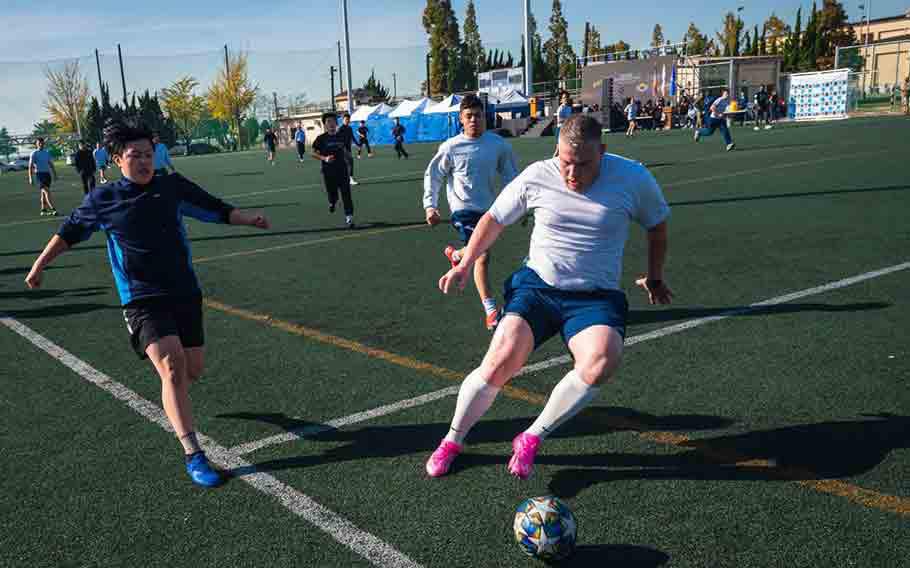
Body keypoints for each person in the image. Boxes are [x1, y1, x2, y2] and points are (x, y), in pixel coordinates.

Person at [24, 119, 271, 488]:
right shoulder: (103, 199)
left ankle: (176, 400)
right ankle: (193, 454)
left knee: (193, 369)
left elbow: (212, 207)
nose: (143, 161)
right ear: (117, 160)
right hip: (141, 300)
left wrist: (248, 219)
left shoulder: (171, 186)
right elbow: (68, 233)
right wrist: (40, 264)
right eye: (134, 155)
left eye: (147, 154)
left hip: (184, 292)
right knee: (171, 366)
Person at [424, 114, 672, 479]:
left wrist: (654, 276)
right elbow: (493, 219)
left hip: (594, 297)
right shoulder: (538, 174)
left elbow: (657, 225)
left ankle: (531, 436)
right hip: (538, 287)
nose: (572, 173)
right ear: (556, 150)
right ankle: (453, 439)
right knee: (501, 359)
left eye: (583, 165)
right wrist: (466, 264)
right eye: (565, 162)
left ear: (602, 152)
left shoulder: (632, 178)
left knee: (603, 359)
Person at [423, 94, 519, 331]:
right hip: (462, 210)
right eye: (469, 116)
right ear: (461, 119)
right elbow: (434, 176)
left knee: (477, 251)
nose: (474, 120)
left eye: (478, 115)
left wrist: (520, 203)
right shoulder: (451, 147)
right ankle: (491, 311)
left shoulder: (498, 145)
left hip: (489, 211)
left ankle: (457, 255)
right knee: (482, 254)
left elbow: (510, 176)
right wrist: (430, 205)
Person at [312, 112, 356, 229]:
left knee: (346, 194)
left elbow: (345, 150)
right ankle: (332, 202)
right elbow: (313, 153)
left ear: (336, 124)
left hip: (342, 171)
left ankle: (349, 217)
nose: (331, 124)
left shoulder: (341, 136)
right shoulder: (321, 139)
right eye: (328, 122)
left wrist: (348, 158)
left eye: (333, 122)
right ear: (325, 125)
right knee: (332, 195)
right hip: (328, 172)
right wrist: (324, 158)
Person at [28, 138, 58, 216]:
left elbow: (50, 164)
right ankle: (53, 209)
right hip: (39, 175)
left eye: (42, 143)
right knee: (47, 191)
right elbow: (30, 166)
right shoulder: (34, 153)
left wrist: (54, 174)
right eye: (39, 143)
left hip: (47, 175)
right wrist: (30, 178)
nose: (41, 144)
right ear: (36, 144)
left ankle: (43, 210)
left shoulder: (46, 153)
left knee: (43, 193)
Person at [338, 113, 359, 186]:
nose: (347, 121)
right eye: (346, 119)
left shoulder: (349, 128)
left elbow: (352, 137)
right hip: (342, 149)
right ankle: (350, 179)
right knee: (350, 162)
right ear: (343, 120)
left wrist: (357, 144)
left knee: (347, 164)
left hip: (348, 148)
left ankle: (346, 179)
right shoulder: (340, 129)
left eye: (348, 119)